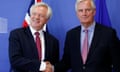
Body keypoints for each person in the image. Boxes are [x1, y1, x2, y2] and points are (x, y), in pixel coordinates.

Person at [55, 0, 120, 72]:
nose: (84, 13)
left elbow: (118, 62)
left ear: (94, 12)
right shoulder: (71, 35)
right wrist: (52, 68)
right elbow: (66, 62)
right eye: (80, 10)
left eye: (87, 10)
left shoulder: (108, 33)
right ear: (77, 14)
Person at [9, 2, 59, 72]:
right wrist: (42, 66)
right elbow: (15, 60)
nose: (36, 17)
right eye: (34, 14)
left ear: (47, 20)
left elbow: (52, 65)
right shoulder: (16, 34)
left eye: (41, 15)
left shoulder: (53, 41)